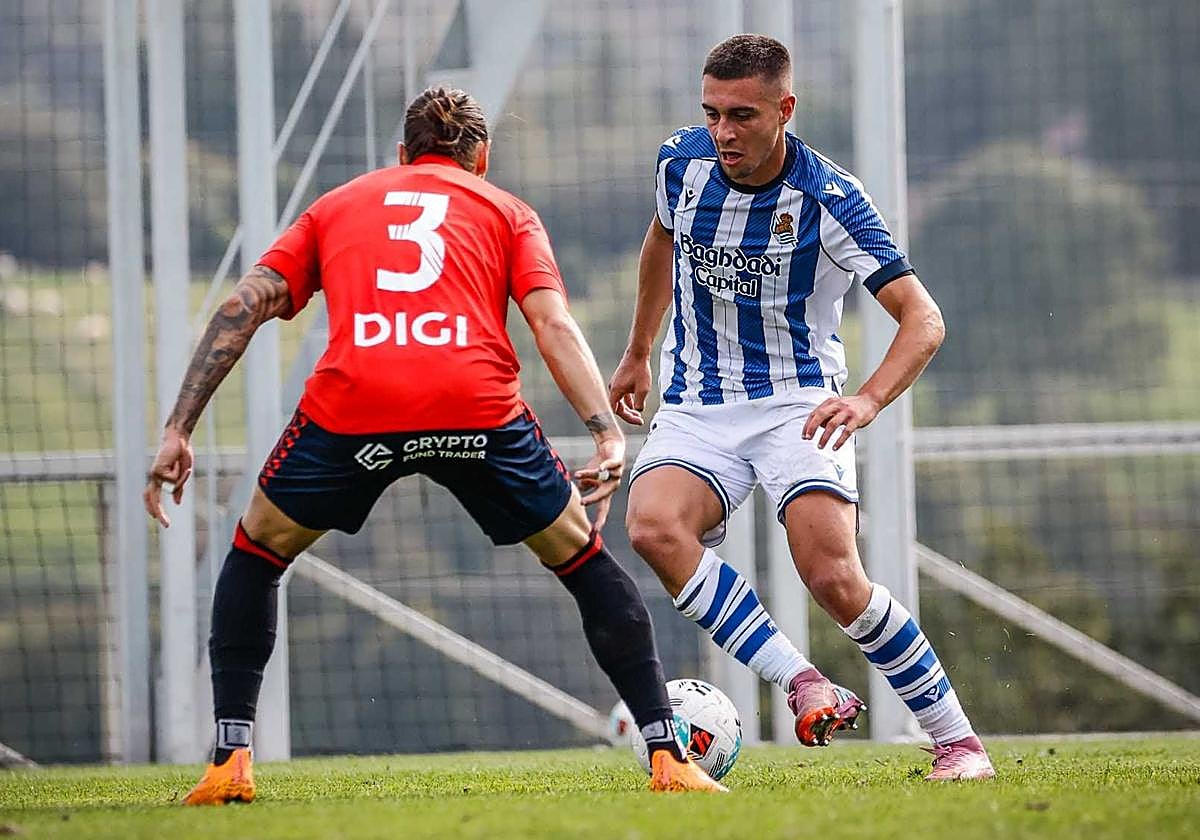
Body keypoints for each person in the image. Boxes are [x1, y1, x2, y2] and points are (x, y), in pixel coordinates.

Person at [145, 87, 726, 803]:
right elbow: (550, 323)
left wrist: (179, 427)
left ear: (401, 155)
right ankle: (667, 757)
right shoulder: (508, 211)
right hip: (474, 407)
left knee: (257, 552)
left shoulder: (336, 206)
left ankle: (229, 761)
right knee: (582, 559)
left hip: (357, 404)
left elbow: (246, 304)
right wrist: (605, 431)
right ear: (481, 157)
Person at [608, 35, 994, 781]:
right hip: (699, 401)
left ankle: (960, 744)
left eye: (742, 116)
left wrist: (869, 399)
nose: (723, 132)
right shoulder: (679, 164)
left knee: (833, 578)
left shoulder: (830, 197)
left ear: (785, 110)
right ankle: (803, 681)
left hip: (799, 404)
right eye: (712, 113)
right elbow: (660, 239)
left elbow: (924, 319)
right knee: (653, 525)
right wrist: (636, 351)